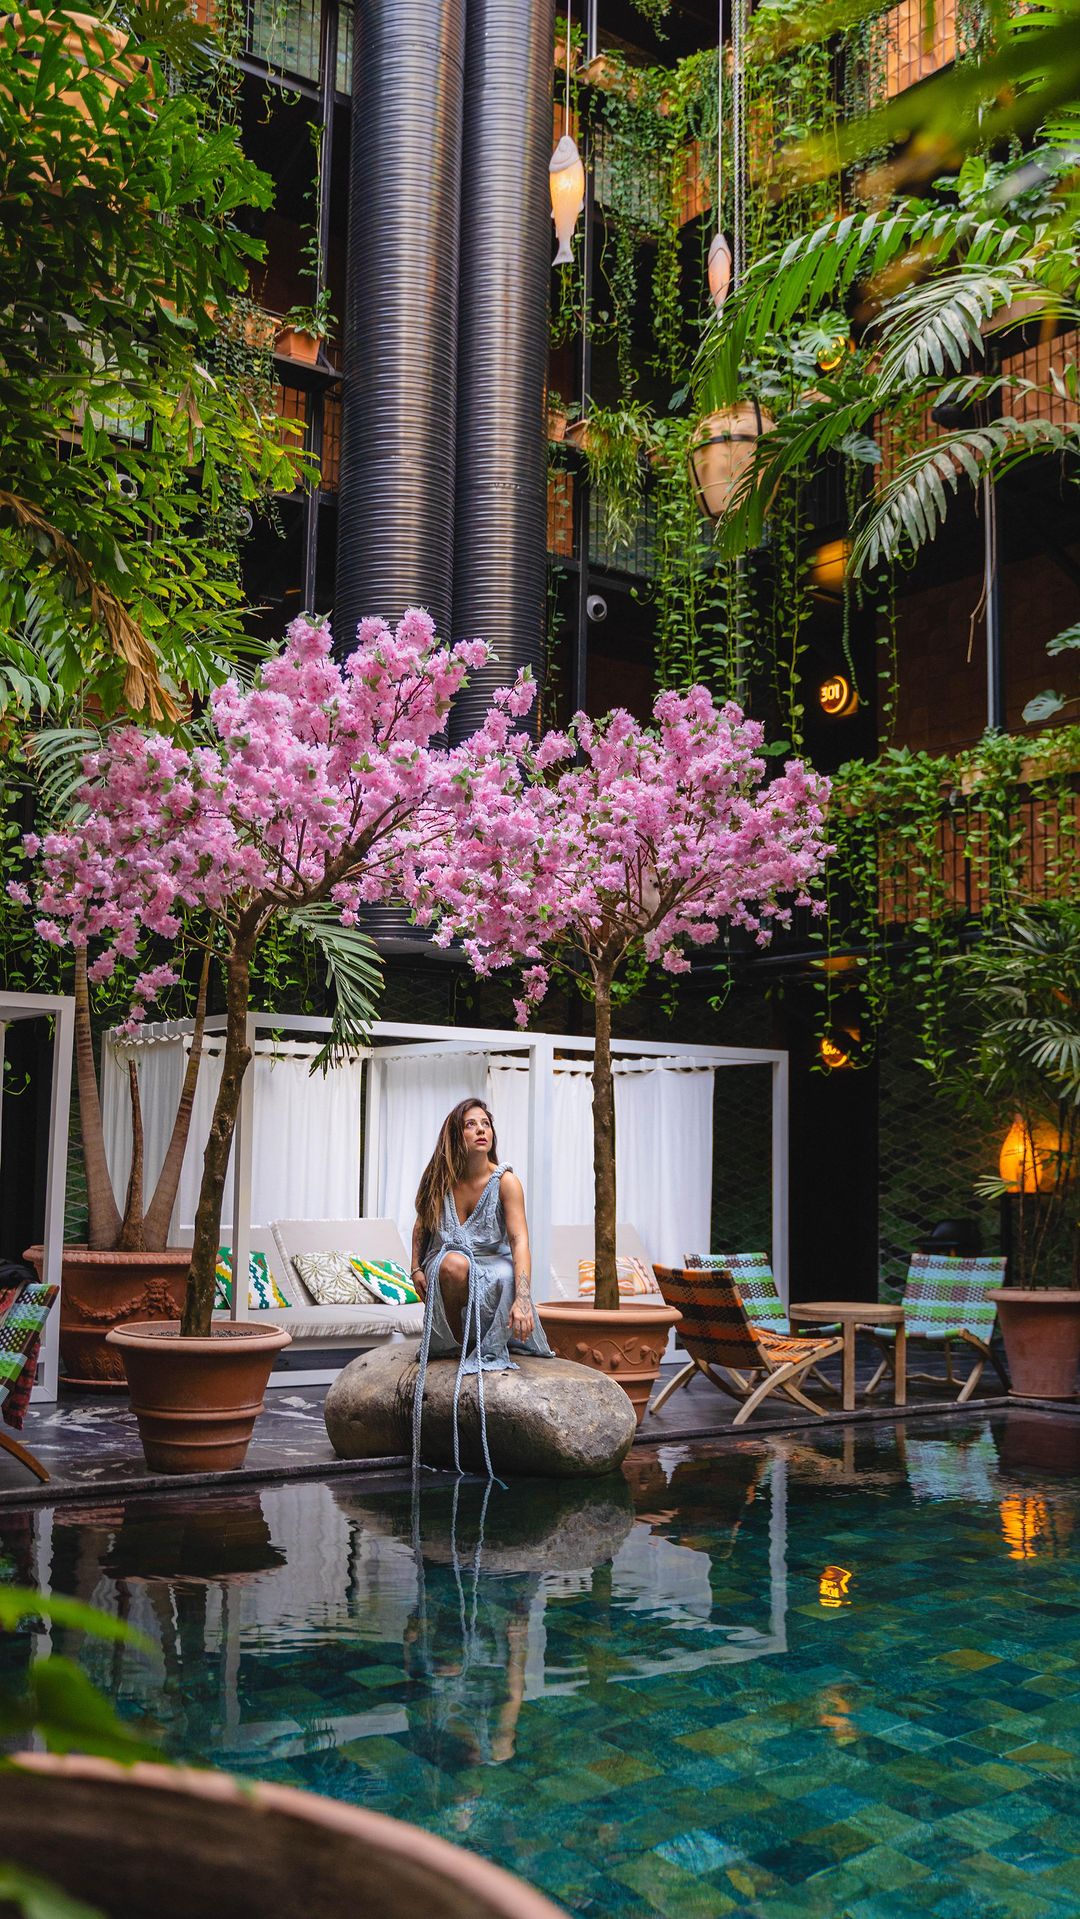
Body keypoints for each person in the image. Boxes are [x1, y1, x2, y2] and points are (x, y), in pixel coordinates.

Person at [410, 1098, 554, 1373]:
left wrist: (523, 1300)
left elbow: (519, 1241)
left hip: (491, 1260)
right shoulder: (439, 1178)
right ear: (455, 1134)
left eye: (486, 1124)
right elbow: (422, 1224)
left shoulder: (506, 1182)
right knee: (454, 1264)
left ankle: (489, 1344)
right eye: (471, 1124)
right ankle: (455, 1343)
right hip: (446, 1260)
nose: (481, 1130)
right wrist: (415, 1267)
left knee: (505, 1274)